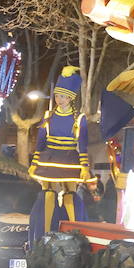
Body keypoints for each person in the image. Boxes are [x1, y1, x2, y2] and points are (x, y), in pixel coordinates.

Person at [28, 66, 91, 243]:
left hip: (70, 159)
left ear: (71, 98)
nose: (59, 99)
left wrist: (84, 167)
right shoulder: (48, 115)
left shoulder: (79, 119)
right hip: (49, 159)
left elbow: (83, 145)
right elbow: (40, 142)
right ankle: (44, 237)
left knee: (70, 194)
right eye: (57, 96)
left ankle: (76, 235)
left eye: (62, 96)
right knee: (47, 193)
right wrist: (34, 162)